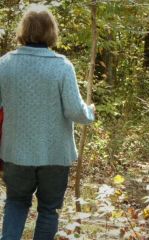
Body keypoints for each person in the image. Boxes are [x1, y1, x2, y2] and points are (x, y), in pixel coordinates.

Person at [0, 5, 95, 240]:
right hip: (54, 154)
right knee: (49, 209)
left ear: (24, 30)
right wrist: (90, 112)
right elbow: (76, 111)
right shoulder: (62, 66)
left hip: (16, 152)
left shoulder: (5, 64)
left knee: (16, 202)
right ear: (52, 31)